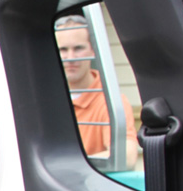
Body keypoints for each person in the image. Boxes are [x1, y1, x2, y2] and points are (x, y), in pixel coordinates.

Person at [55, 14, 138, 169]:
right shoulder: (45, 99)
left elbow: (127, 156)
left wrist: (66, 165)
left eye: (78, 48)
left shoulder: (111, 101)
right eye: (63, 49)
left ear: (93, 50)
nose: (70, 57)